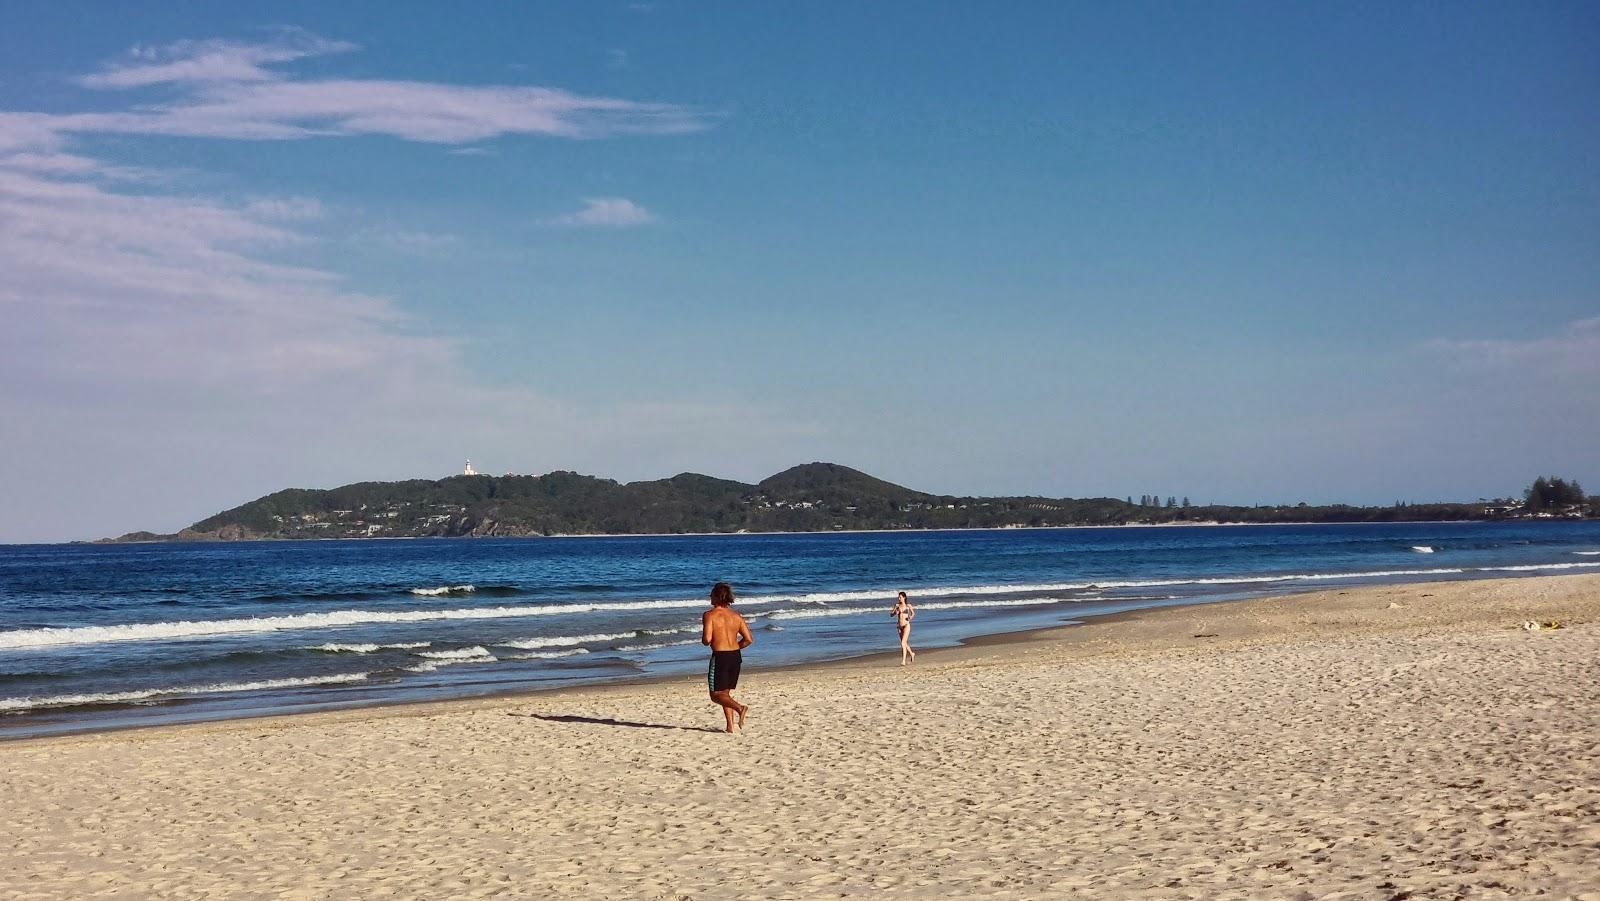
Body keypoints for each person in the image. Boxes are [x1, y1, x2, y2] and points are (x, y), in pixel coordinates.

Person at [701, 581, 752, 733]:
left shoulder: (709, 615)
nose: (710, 596)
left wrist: (705, 639)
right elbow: (748, 639)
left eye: (711, 594)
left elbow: (707, 640)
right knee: (725, 693)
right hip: (735, 656)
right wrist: (735, 647)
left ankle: (740, 708)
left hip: (720, 657)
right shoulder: (736, 615)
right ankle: (730, 726)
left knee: (715, 695)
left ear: (717, 597)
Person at [890, 590, 916, 665]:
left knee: (903, 643)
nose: (899, 598)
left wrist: (910, 617)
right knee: (904, 643)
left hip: (906, 625)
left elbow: (913, 613)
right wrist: (895, 612)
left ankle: (903, 661)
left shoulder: (908, 606)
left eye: (900, 597)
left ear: (904, 598)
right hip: (899, 626)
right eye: (898, 597)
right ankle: (912, 653)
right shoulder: (897, 605)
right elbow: (891, 615)